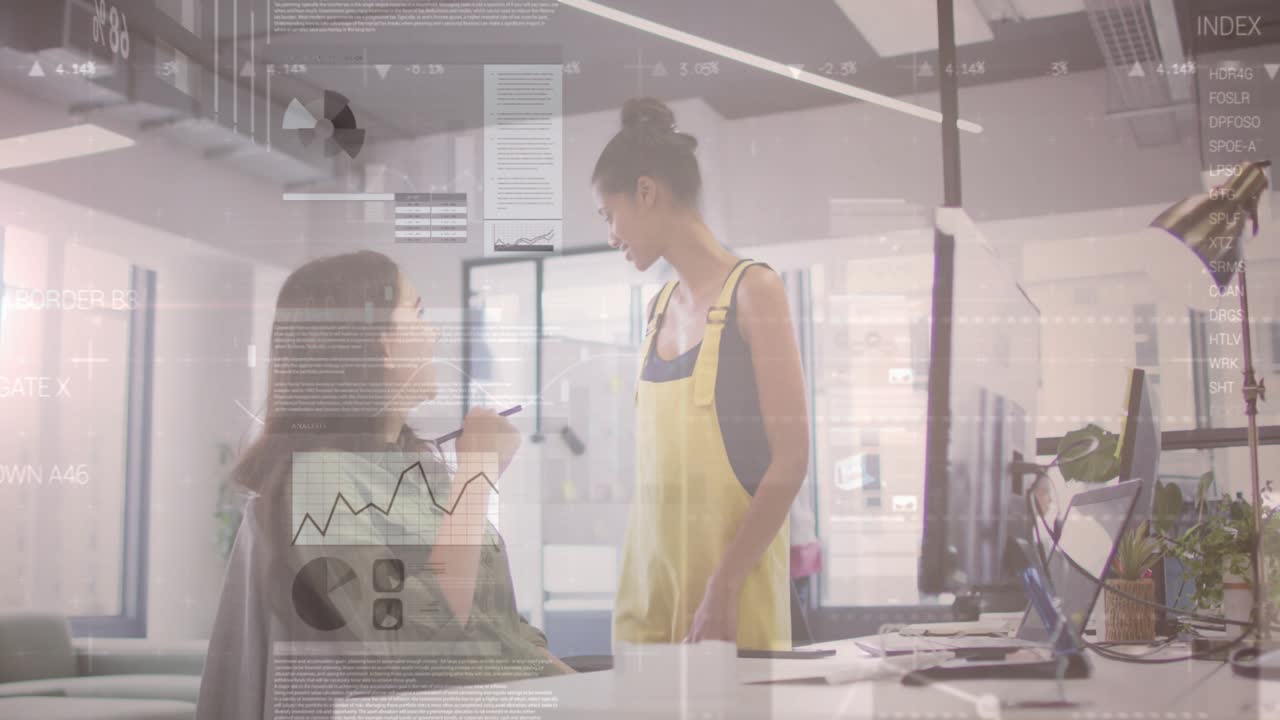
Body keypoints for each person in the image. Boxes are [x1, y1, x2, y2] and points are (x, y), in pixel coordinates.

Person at [197, 251, 569, 720]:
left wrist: (581, 688)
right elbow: (417, 638)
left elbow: (497, 626)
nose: (434, 334)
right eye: (418, 313)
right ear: (381, 346)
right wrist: (476, 473)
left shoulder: (420, 471)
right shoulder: (318, 484)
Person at [592, 98, 810, 651]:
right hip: (648, 599)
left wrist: (725, 584)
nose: (610, 234)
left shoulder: (755, 291)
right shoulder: (657, 309)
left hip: (730, 606)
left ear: (646, 192)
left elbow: (791, 460)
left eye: (608, 214)